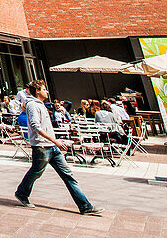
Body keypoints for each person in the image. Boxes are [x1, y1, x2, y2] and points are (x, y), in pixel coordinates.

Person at [14, 81, 101, 215]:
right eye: (44, 89)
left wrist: (55, 141)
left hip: (52, 146)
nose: (47, 91)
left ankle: (85, 206)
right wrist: (55, 140)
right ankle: (21, 192)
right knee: (36, 172)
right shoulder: (32, 105)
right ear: (37, 91)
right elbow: (36, 126)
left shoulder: (40, 104)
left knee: (68, 175)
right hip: (42, 146)